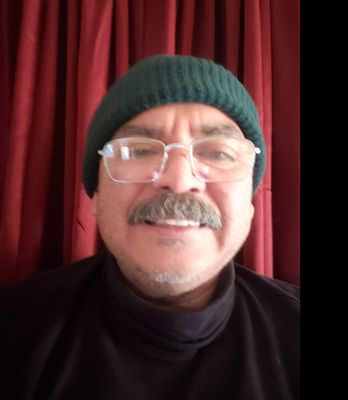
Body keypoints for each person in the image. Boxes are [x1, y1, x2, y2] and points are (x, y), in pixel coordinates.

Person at [0, 55, 299, 399]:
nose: (179, 179)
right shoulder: (12, 331)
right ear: (95, 195)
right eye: (138, 151)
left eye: (218, 153)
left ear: (249, 203)